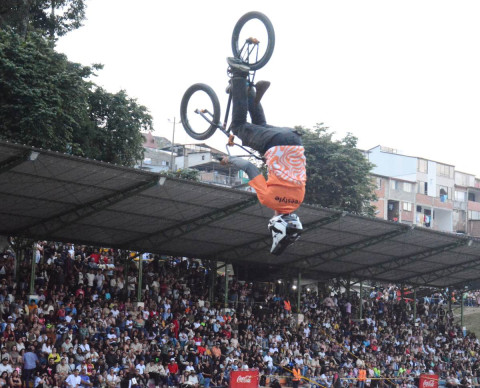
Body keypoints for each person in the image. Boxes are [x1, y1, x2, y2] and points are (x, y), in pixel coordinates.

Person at [221, 57, 306, 255]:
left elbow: (291, 172)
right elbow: (249, 168)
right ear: (276, 223)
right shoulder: (269, 200)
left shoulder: (299, 199)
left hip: (294, 140)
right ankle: (239, 76)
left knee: (258, 130)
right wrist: (229, 159)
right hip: (275, 144)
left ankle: (250, 95)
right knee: (239, 126)